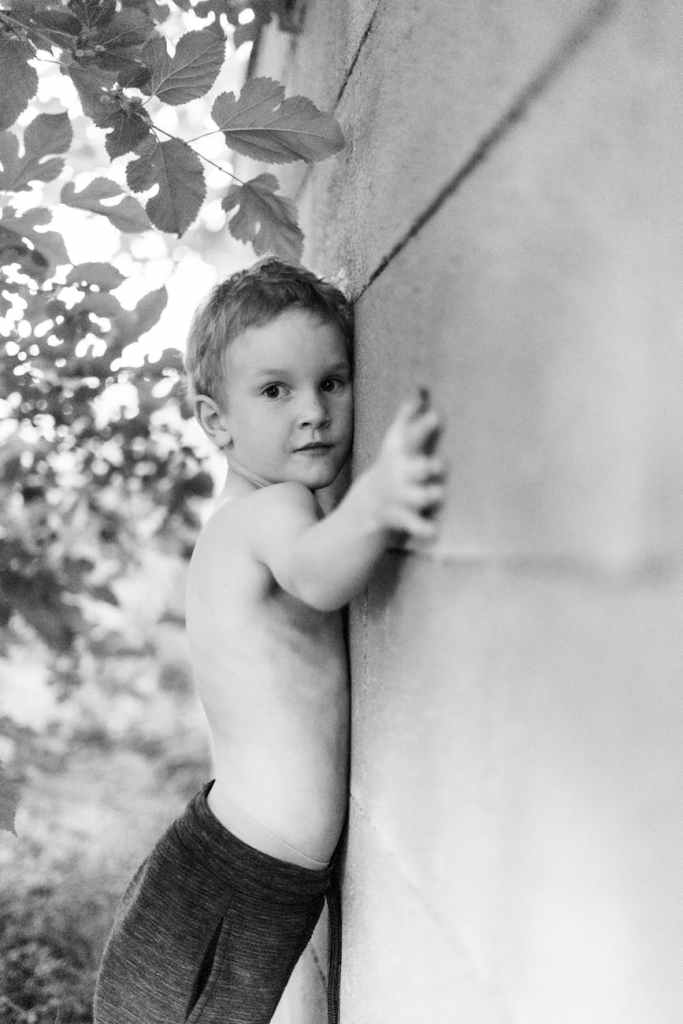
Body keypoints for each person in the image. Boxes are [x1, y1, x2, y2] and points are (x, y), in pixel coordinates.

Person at [93, 258, 446, 1024]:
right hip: (235, 872)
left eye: (334, 381)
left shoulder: (251, 515)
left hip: (249, 867)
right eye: (276, 391)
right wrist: (378, 502)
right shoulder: (273, 509)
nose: (313, 411)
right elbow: (320, 576)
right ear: (216, 421)